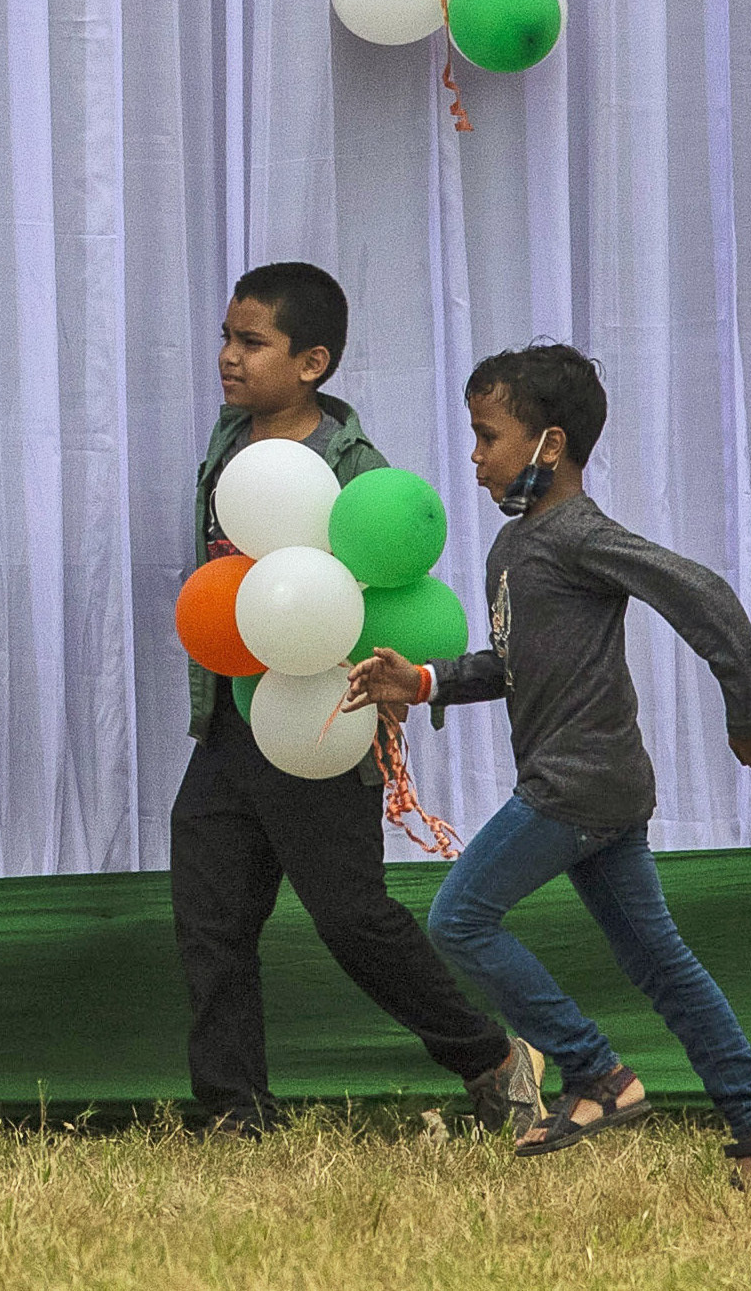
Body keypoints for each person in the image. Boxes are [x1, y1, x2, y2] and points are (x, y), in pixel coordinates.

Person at [347, 343, 751, 1188]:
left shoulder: (578, 535)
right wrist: (420, 680)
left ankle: (595, 1073)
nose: (477, 459)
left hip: (576, 785)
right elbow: (513, 664)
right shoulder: (516, 550)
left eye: (490, 437)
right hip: (601, 786)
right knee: (662, 966)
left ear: (549, 445)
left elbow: (702, 595)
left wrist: (749, 710)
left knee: (459, 919)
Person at [168, 263, 544, 1137]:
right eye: (226, 337)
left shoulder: (351, 467)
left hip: (318, 723)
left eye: (250, 341)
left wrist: (384, 686)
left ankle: (490, 1059)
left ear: (312, 362)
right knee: (210, 914)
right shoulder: (232, 441)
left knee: (352, 919)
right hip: (230, 717)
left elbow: (383, 589)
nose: (228, 356)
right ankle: (236, 1109)